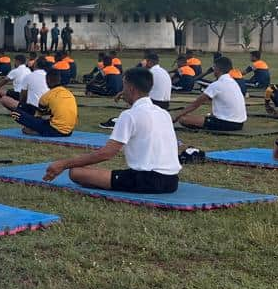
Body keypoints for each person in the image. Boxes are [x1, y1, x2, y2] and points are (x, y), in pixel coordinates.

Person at [42, 66, 182, 194]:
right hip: (172, 181)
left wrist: (63, 164)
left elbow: (106, 154)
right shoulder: (163, 113)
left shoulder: (129, 115)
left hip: (147, 181)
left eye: (124, 86)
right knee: (93, 173)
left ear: (131, 89)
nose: (122, 91)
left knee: (76, 172)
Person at [174, 56, 246, 131]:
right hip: (240, 123)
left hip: (227, 124)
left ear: (217, 69)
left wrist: (177, 116)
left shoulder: (217, 84)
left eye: (214, 67)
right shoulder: (233, 82)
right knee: (202, 116)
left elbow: (195, 104)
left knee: (183, 119)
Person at [8, 67, 78, 137]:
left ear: (47, 81)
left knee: (16, 113)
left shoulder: (47, 96)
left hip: (55, 131)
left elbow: (40, 116)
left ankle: (37, 132)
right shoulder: (69, 93)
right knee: (31, 109)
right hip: (69, 131)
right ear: (59, 80)